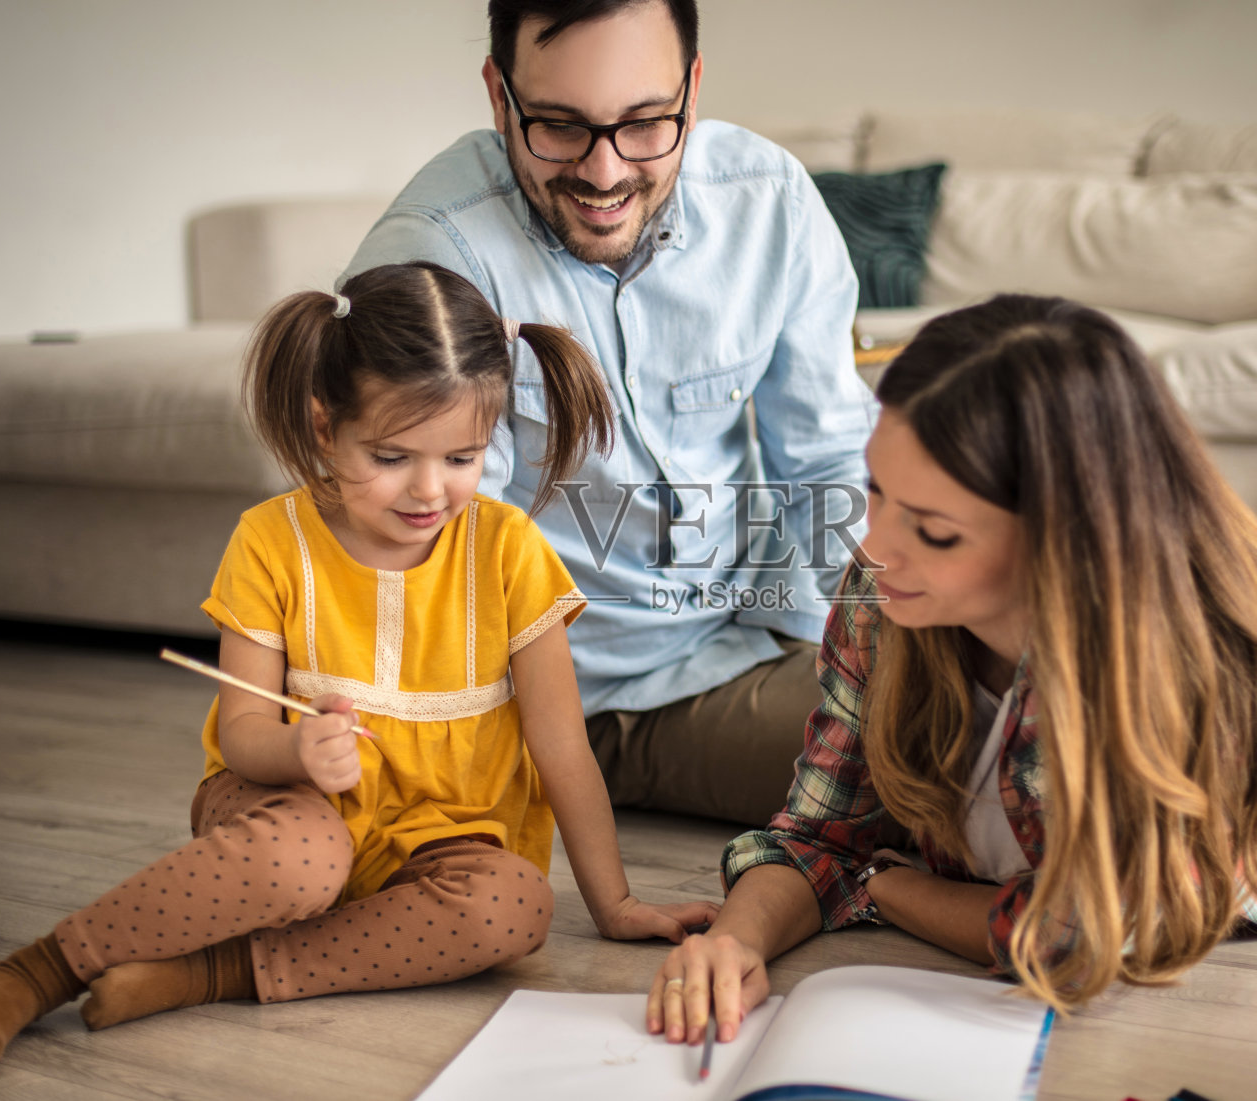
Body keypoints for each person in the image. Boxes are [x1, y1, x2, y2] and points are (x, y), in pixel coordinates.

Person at [644, 294, 1257, 1042]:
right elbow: (822, 831)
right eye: (875, 493)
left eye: (935, 529)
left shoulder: (1158, 696)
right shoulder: (886, 599)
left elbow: (1066, 940)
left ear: (1061, 540)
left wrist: (883, 885)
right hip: (1244, 622)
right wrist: (738, 937)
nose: (872, 548)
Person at [0, 261, 718, 1067]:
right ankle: (30, 975)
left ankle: (205, 972)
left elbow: (561, 745)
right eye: (391, 457)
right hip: (286, 808)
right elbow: (242, 729)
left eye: (462, 456)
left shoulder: (509, 551)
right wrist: (296, 750)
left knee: (514, 909)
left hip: (443, 834)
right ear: (324, 427)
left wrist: (615, 901)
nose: (429, 489)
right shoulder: (270, 541)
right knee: (302, 857)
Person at [342, 0, 876, 827]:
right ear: (498, 95)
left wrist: (843, 660)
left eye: (644, 123)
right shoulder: (435, 258)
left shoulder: (767, 201)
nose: (603, 173)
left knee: (1026, 696)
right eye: (557, 126)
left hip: (755, 637)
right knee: (920, 764)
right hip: (578, 701)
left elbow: (828, 457)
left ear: (693, 90)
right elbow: (433, 554)